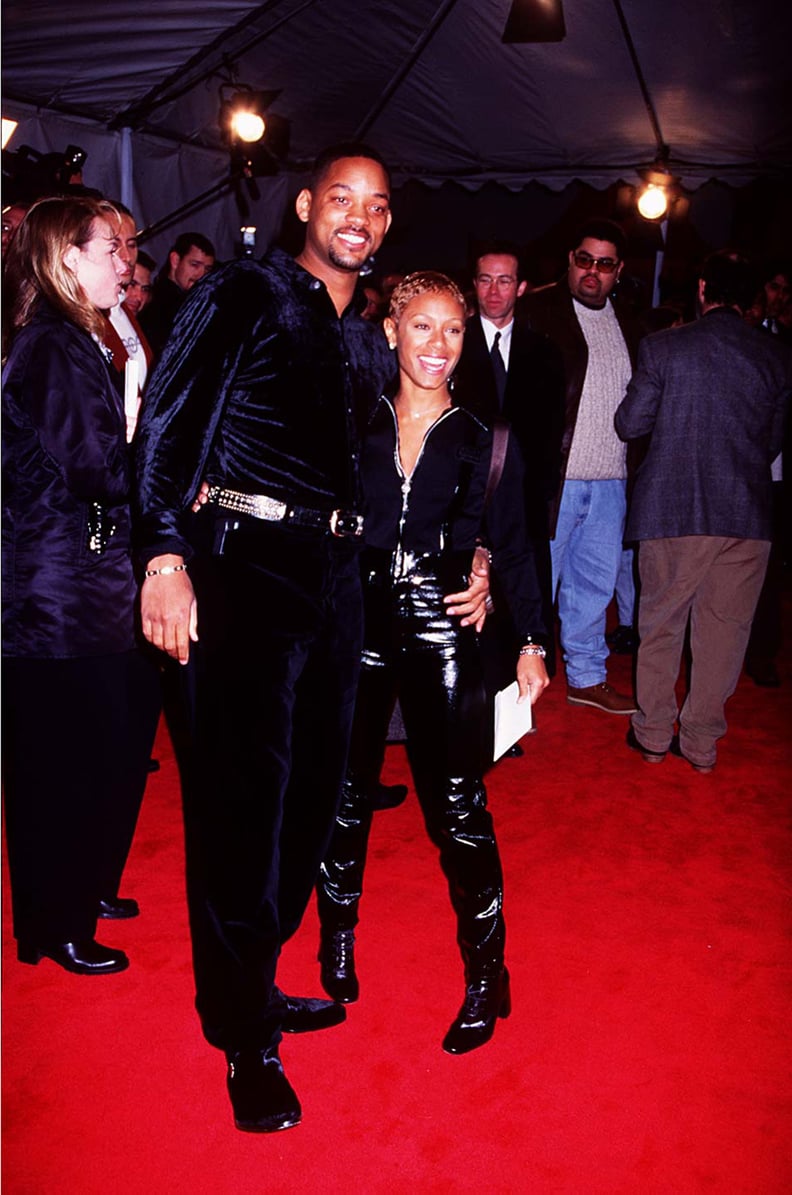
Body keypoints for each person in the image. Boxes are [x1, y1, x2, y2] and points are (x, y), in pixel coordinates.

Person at [134, 145, 488, 1133]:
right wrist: (165, 553)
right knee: (242, 810)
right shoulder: (245, 291)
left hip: (335, 585)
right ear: (304, 206)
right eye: (342, 197)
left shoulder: (362, 338)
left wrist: (480, 549)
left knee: (309, 803)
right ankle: (243, 1034)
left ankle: (257, 973)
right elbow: (164, 425)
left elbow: (419, 446)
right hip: (241, 574)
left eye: (377, 206)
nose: (359, 217)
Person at [316, 271, 550, 1056]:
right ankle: (336, 937)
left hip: (446, 622)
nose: (439, 345)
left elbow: (516, 543)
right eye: (423, 327)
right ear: (392, 330)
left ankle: (490, 972)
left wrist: (531, 640)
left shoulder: (490, 436)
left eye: (453, 330)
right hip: (358, 618)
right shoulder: (352, 421)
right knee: (345, 792)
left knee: (457, 805)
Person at [2, 196, 161, 974]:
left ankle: (83, 887)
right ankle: (53, 921)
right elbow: (97, 470)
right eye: (109, 251)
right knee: (57, 763)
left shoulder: (73, 339)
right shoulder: (56, 347)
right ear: (68, 258)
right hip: (52, 595)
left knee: (103, 746)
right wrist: (168, 473)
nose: (124, 263)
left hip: (81, 581)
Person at [615, 251, 792, 773]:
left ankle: (651, 735)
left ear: (701, 288)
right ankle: (700, 744)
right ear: (752, 299)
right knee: (726, 632)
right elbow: (772, 443)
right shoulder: (778, 357)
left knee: (662, 624)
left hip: (674, 509)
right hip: (747, 514)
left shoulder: (664, 347)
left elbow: (630, 424)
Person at [523, 219, 641, 714]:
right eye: (584, 260)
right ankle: (513, 687)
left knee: (594, 585)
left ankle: (587, 676)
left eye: (604, 264)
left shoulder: (634, 323)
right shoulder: (536, 313)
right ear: (569, 260)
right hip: (556, 480)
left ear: (619, 271)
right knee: (532, 585)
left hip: (612, 478)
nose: (592, 272)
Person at [453, 241, 565, 679]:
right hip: (465, 495)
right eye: (485, 280)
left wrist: (541, 496)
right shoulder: (453, 343)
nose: (494, 291)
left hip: (525, 497)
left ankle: (519, 692)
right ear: (473, 286)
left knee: (523, 590)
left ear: (521, 288)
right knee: (472, 598)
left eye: (504, 281)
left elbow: (552, 430)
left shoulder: (544, 351)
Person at [139, 230, 215, 356]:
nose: (201, 275)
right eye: (195, 265)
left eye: (207, 269)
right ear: (175, 260)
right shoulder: (160, 303)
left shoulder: (188, 300)